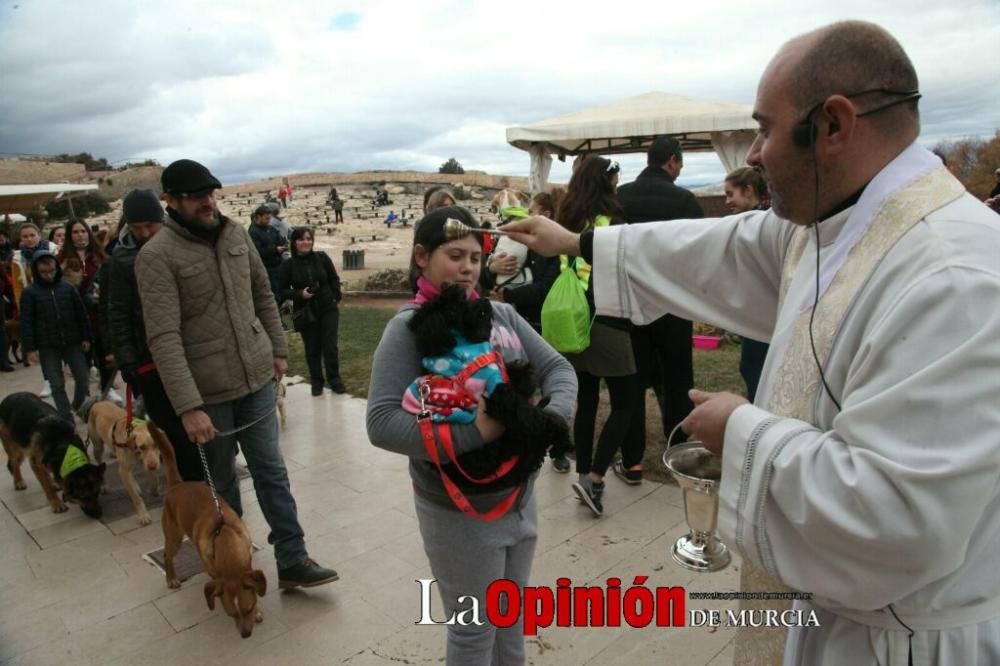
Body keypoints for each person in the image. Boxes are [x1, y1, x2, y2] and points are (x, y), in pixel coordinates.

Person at [507, 20, 1000, 666]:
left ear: (833, 126)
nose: (753, 155)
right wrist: (580, 244)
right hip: (827, 614)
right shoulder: (836, 221)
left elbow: (898, 524)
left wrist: (739, 432)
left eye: (765, 128)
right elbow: (720, 250)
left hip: (896, 640)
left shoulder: (952, 278)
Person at [366, 206, 576, 664]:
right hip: (457, 511)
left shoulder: (501, 315)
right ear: (421, 257)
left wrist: (548, 423)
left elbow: (558, 368)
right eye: (454, 255)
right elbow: (381, 422)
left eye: (475, 258)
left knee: (511, 626)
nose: (466, 268)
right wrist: (482, 430)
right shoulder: (407, 330)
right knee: (472, 635)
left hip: (520, 497)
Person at [135, 159, 338, 589]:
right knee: (222, 490)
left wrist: (278, 350)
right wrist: (188, 407)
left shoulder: (235, 234)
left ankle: (293, 558)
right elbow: (164, 337)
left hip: (256, 380)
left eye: (210, 193)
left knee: (272, 473)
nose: (207, 202)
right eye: (195, 196)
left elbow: (262, 293)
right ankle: (234, 567)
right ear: (170, 200)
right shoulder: (156, 257)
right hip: (208, 394)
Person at [557, 157, 640, 516]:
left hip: (573, 320)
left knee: (587, 401)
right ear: (606, 181)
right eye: (615, 178)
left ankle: (582, 471)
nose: (618, 184)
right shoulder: (616, 222)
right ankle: (595, 477)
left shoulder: (568, 220)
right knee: (626, 402)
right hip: (607, 320)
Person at [106, 189, 203, 481]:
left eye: (151, 225)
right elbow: (118, 314)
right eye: (137, 228)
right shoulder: (121, 261)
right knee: (173, 427)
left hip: (190, 349)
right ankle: (193, 483)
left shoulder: (181, 246)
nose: (145, 233)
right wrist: (128, 362)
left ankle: (214, 476)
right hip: (149, 359)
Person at [616, 136, 703, 462]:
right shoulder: (684, 200)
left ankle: (632, 457)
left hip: (628, 301)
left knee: (632, 381)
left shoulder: (619, 197)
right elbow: (699, 254)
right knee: (677, 379)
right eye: (680, 163)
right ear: (671, 161)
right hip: (672, 302)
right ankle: (677, 445)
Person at [484, 189, 568, 472]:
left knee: (545, 383)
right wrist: (491, 268)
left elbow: (545, 288)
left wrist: (507, 296)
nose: (527, 216)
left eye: (532, 211)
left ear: (545, 215)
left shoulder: (553, 249)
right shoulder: (528, 242)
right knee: (518, 383)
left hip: (540, 322)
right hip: (521, 320)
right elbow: (498, 262)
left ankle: (555, 444)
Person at [20, 251, 91, 419]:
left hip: (73, 341)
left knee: (83, 379)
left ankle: (77, 406)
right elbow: (27, 322)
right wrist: (30, 349)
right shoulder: (30, 293)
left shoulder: (68, 287)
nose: (48, 275)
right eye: (43, 272)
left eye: (51, 271)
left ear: (56, 268)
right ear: (36, 271)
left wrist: (86, 336)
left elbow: (81, 314)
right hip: (47, 346)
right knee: (56, 384)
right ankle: (66, 416)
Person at [278, 227, 346, 395]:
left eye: (309, 239)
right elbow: (282, 291)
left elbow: (333, 279)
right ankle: (317, 381)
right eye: (301, 239)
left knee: (330, 346)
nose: (306, 242)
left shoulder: (322, 258)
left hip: (327, 307)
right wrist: (300, 294)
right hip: (305, 311)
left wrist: (335, 297)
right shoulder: (288, 265)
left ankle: (335, 379)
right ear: (294, 243)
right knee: (312, 348)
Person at [723, 167, 771, 402]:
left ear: (749, 190)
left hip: (760, 310)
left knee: (755, 369)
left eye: (731, 194)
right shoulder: (767, 218)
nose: (727, 200)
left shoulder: (754, 224)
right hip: (761, 308)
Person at [58, 219, 112, 391]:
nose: (80, 235)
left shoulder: (100, 256)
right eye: (75, 232)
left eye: (83, 231)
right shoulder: (62, 259)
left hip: (99, 312)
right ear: (69, 236)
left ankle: (106, 387)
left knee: (105, 352)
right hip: (75, 315)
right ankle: (85, 394)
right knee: (83, 355)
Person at [247, 204, 287, 303]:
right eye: (266, 218)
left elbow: (280, 240)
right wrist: (275, 250)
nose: (269, 221)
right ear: (258, 217)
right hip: (267, 269)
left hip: (279, 266)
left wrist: (285, 245)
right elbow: (258, 252)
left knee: (282, 291)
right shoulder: (253, 232)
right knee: (274, 295)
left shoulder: (271, 228)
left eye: (270, 218)